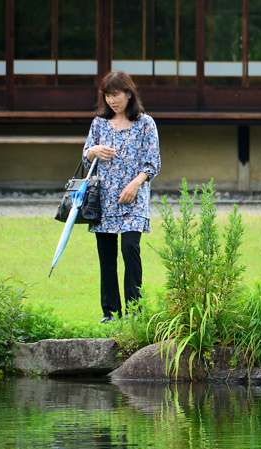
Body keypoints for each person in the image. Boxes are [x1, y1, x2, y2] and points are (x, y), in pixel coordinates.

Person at [83, 71, 161, 323]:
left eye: (115, 95)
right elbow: (86, 158)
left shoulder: (146, 123)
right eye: (107, 96)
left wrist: (134, 185)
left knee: (130, 249)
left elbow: (153, 163)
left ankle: (135, 312)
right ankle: (111, 313)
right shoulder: (99, 123)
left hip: (133, 198)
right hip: (102, 200)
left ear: (129, 93)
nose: (111, 101)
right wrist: (93, 151)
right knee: (106, 257)